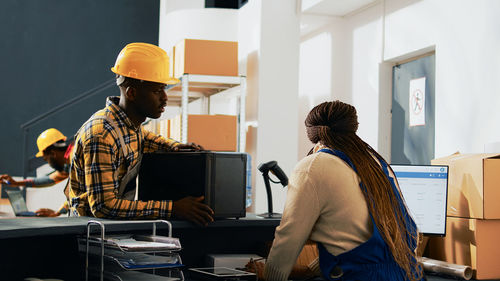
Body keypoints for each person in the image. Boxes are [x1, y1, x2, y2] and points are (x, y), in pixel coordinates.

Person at [249, 101, 423, 280]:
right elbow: (351, 235)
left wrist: (268, 277)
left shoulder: (313, 166)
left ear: (312, 133)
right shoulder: (376, 164)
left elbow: (289, 239)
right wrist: (314, 270)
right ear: (352, 127)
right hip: (405, 274)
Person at [68, 42, 214, 226]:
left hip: (111, 232)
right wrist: (172, 208)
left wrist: (176, 147)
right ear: (132, 93)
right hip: (89, 236)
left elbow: (146, 139)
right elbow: (104, 207)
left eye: (164, 89)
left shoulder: (130, 127)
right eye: (156, 90)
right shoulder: (101, 135)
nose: (164, 98)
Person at [1, 128, 73, 217]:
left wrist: (58, 212)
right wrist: (16, 183)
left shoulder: (75, 159)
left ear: (53, 153)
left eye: (46, 158)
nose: (47, 161)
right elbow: (49, 180)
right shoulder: (68, 161)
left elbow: (77, 193)